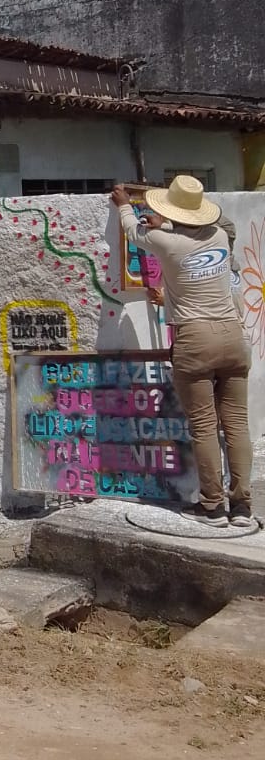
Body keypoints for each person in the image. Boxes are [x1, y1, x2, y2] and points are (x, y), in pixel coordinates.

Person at [112, 177, 254, 528]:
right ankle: (242, 507)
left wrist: (124, 203)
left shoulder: (166, 243)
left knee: (204, 426)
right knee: (236, 424)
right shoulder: (220, 237)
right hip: (233, 336)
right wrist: (174, 219)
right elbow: (213, 222)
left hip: (195, 338)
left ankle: (213, 507)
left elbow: (132, 230)